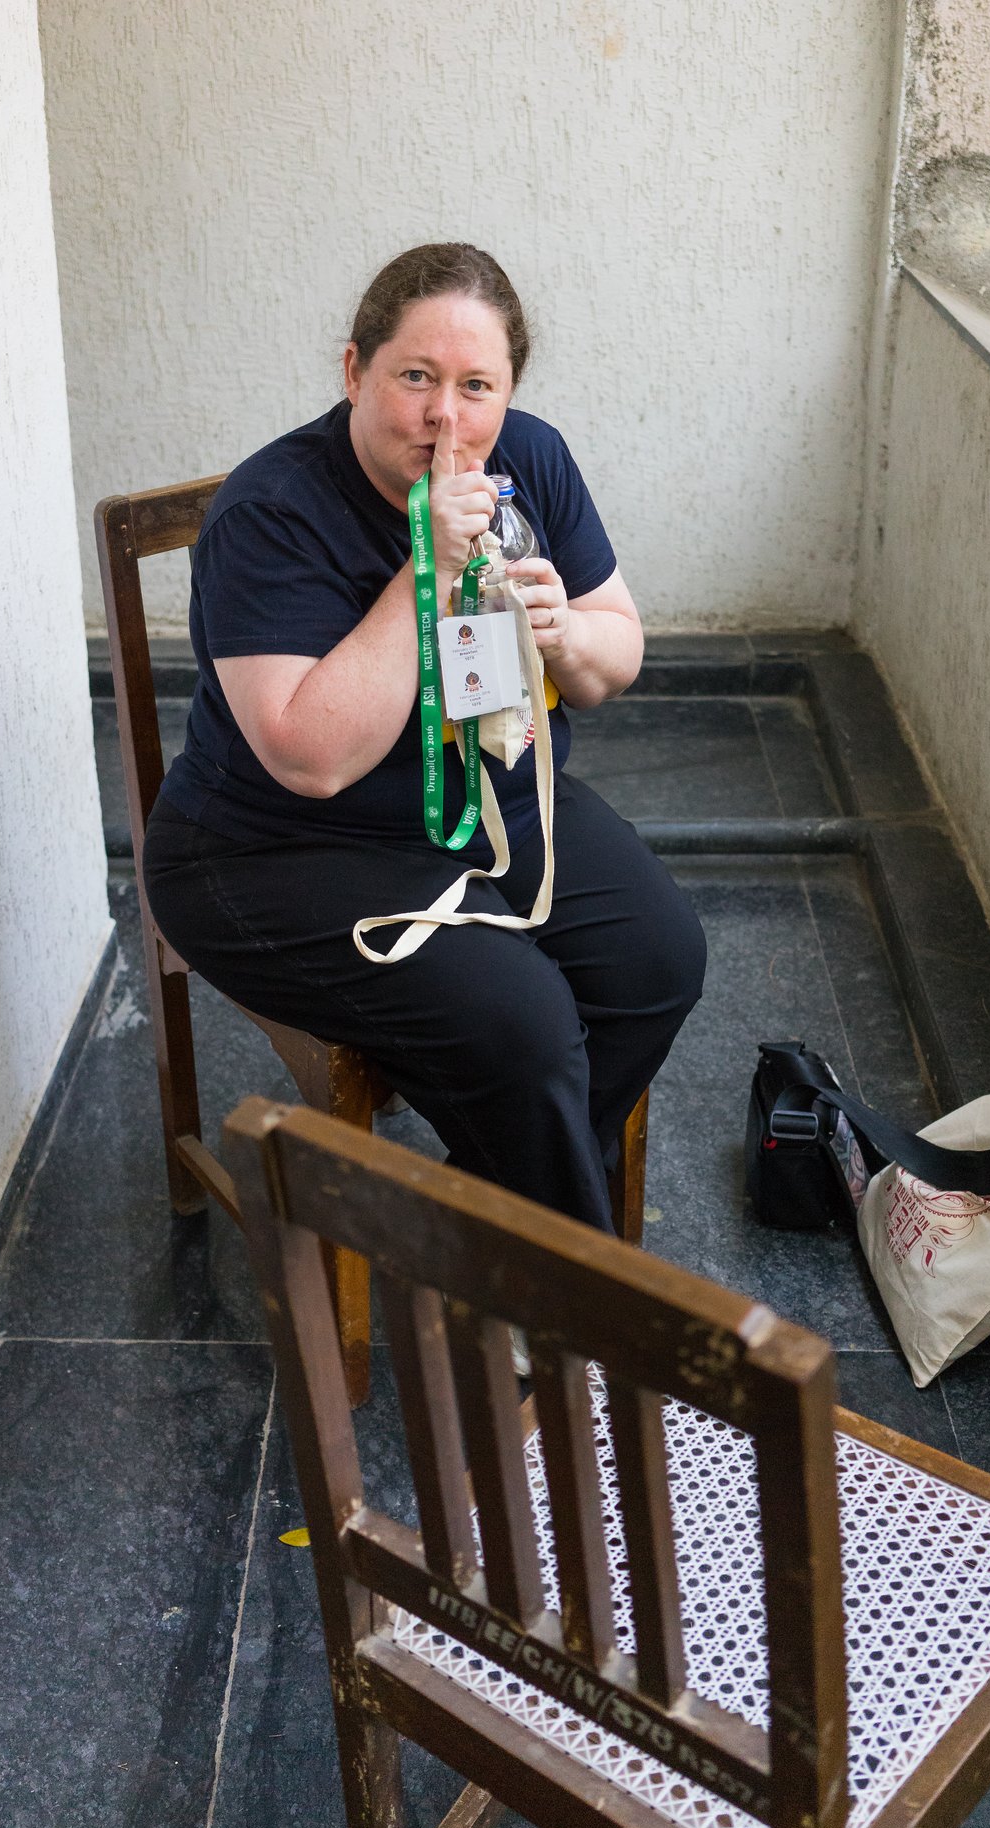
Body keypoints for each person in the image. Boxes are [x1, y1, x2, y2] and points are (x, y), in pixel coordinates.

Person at [144, 243, 706, 1233]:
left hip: (483, 798)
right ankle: (566, 1330)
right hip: (274, 853)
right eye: (415, 377)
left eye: (476, 385)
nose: (447, 416)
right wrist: (423, 568)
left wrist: (563, 633)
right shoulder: (271, 513)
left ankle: (467, 1228)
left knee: (656, 962)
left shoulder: (527, 456)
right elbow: (308, 760)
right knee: (520, 1030)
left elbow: (613, 659)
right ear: (354, 368)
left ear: (508, 390)